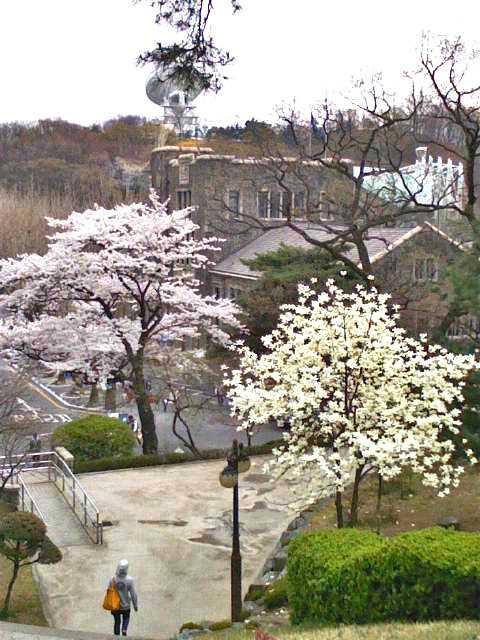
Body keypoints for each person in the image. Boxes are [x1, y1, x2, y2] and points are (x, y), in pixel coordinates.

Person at [108, 559, 138, 636]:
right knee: (126, 618)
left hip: (115, 606)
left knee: (117, 622)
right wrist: (135, 605)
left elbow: (109, 592)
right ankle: (124, 630)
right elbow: (133, 594)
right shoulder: (129, 580)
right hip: (126, 606)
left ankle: (116, 636)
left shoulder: (112, 579)